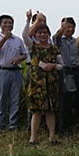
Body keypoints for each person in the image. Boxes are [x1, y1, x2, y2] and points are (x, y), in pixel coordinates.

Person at [22, 15, 62, 145]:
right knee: (36, 110)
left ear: (48, 34)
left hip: (52, 82)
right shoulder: (32, 46)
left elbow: (62, 65)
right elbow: (25, 35)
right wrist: (29, 20)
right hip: (37, 83)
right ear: (36, 34)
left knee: (51, 110)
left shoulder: (54, 48)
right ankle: (33, 138)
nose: (43, 35)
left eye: (45, 32)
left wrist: (53, 66)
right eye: (40, 32)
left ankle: (52, 136)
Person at [0, 14, 28, 132]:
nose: (8, 25)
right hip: (1, 72)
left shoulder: (18, 40)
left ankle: (13, 125)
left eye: (10, 23)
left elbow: (25, 54)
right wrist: (5, 38)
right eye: (5, 23)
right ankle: (0, 126)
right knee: (1, 100)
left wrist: (19, 59)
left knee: (15, 99)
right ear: (0, 24)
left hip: (16, 72)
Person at [53, 17, 79, 134]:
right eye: (66, 27)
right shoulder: (59, 40)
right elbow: (56, 37)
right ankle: (64, 129)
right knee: (66, 100)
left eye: (71, 27)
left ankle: (76, 125)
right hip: (66, 71)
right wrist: (62, 27)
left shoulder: (76, 41)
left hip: (77, 71)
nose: (69, 29)